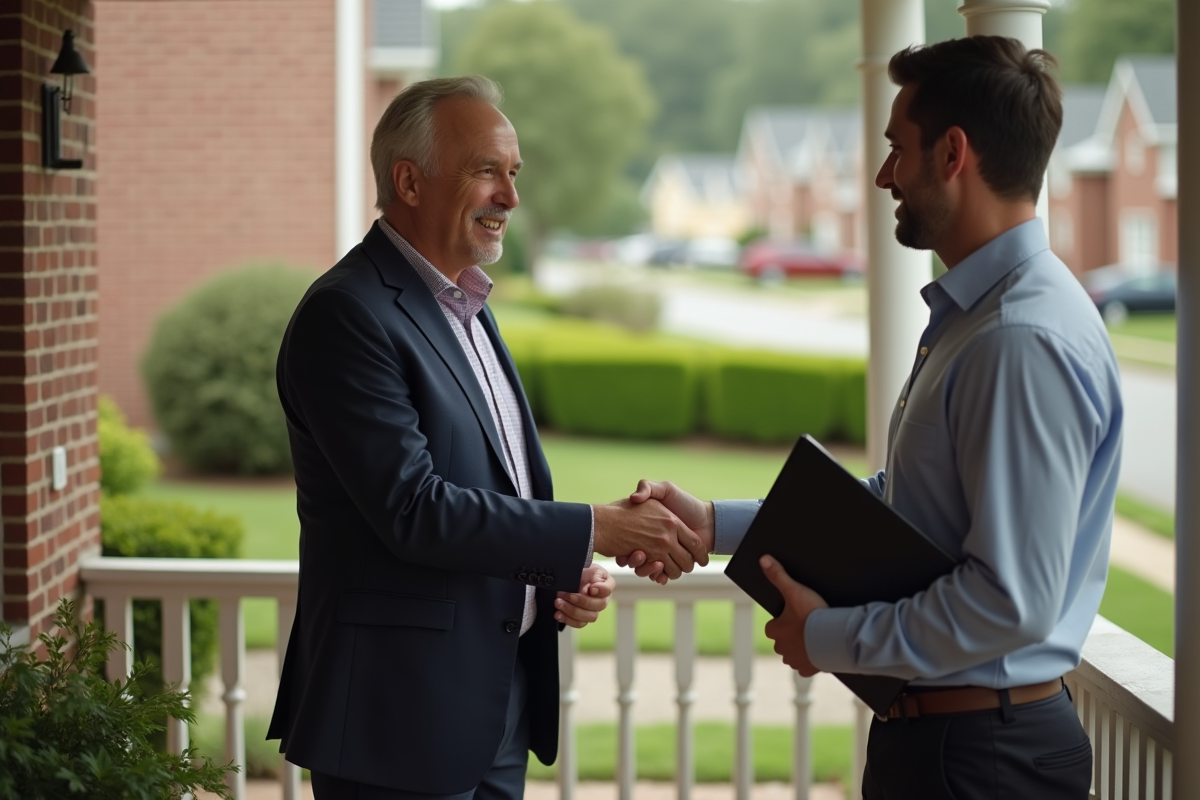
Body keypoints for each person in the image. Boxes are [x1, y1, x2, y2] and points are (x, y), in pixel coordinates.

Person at [626, 37, 1122, 799]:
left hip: (980, 761)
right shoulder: (978, 316)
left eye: (898, 148)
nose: (884, 174)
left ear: (953, 153)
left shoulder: (1019, 337)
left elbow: (1009, 602)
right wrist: (714, 526)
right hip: (949, 741)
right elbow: (906, 504)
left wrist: (826, 638)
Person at [266, 75, 708, 800]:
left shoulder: (469, 308)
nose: (511, 197)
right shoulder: (346, 315)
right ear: (409, 180)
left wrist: (556, 570)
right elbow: (415, 509)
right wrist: (591, 527)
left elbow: (490, 496)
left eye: (514, 174)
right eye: (487, 172)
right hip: (395, 723)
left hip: (492, 711)